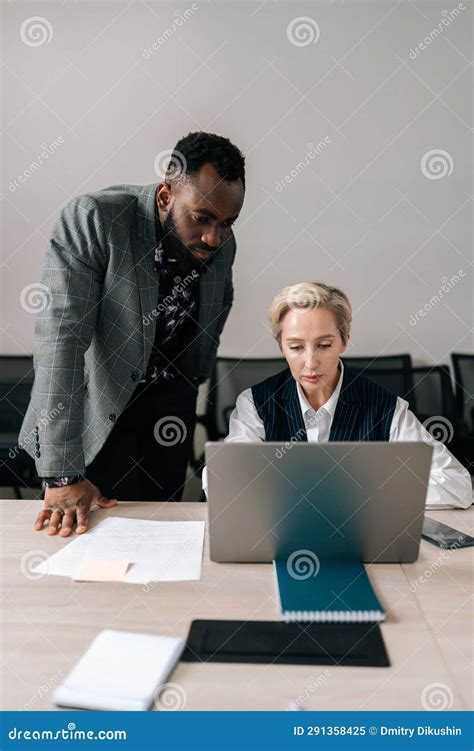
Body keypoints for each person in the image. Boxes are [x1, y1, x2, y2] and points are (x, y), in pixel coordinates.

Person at [20, 131, 246, 536]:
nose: (215, 237)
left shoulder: (220, 244)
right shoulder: (95, 219)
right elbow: (61, 342)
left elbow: (218, 305)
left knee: (161, 544)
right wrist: (60, 474)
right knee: (89, 547)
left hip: (168, 415)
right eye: (202, 218)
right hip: (96, 412)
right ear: (165, 196)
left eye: (227, 223)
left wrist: (192, 381)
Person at [202, 282, 472, 508]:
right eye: (296, 347)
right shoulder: (255, 404)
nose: (310, 362)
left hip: (365, 540)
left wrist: (368, 495)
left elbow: (458, 486)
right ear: (280, 345)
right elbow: (223, 481)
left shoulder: (386, 408)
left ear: (344, 340)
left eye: (324, 345)